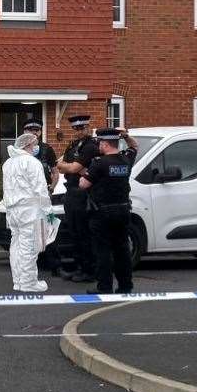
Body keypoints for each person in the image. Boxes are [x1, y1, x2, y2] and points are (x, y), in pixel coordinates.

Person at [79, 127, 139, 294]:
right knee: (122, 249)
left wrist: (84, 172)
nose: (98, 146)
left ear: (105, 144)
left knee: (102, 251)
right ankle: (126, 286)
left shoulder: (100, 163)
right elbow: (135, 146)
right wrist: (125, 135)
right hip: (123, 210)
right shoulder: (126, 159)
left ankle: (104, 287)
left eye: (99, 143)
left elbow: (83, 184)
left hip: (102, 213)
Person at [1, 131, 52, 292]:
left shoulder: (8, 163)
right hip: (29, 210)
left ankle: (18, 281)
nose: (37, 147)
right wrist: (48, 210)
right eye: (35, 144)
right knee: (29, 247)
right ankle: (29, 283)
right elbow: (40, 189)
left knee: (16, 246)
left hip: (12, 211)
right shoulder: (31, 162)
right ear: (28, 145)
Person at [56, 115, 100, 282]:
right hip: (71, 192)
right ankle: (79, 267)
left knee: (84, 233)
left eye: (82, 128)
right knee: (74, 232)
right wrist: (69, 167)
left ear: (88, 128)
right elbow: (59, 165)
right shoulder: (74, 145)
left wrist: (70, 167)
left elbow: (74, 167)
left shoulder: (90, 146)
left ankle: (89, 270)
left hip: (83, 194)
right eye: (76, 129)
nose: (79, 131)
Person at [25, 119, 61, 275]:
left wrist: (51, 188)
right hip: (27, 197)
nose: (34, 133)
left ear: (40, 132)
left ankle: (55, 265)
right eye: (30, 130)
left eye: (36, 130)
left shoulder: (47, 150)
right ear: (24, 132)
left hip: (44, 196)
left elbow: (55, 172)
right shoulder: (18, 151)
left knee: (49, 228)